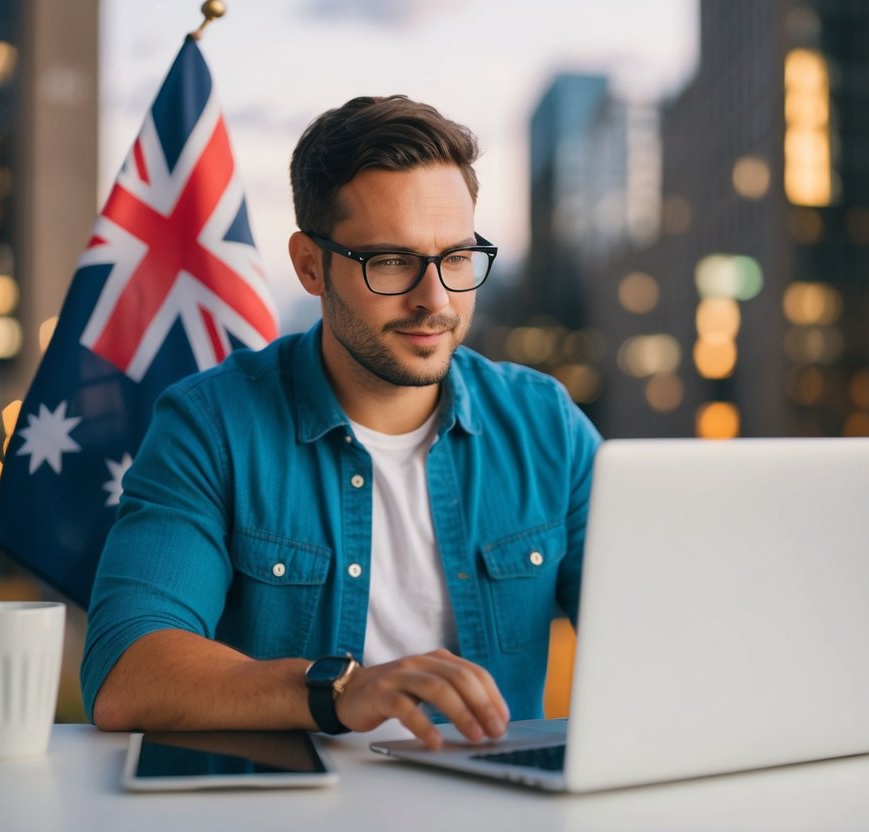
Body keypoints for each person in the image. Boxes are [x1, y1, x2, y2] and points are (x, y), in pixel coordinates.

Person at [81, 95, 601, 749]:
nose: (435, 299)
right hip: (293, 799)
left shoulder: (546, 425)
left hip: (500, 799)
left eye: (456, 257)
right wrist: (337, 691)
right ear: (309, 265)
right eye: (391, 261)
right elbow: (126, 673)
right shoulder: (211, 426)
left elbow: (660, 627)